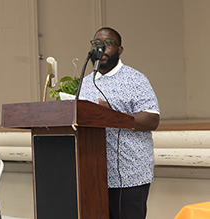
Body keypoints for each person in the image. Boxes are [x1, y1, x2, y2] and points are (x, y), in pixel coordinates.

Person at [79, 27, 160, 219]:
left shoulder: (136, 79)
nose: (101, 48)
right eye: (96, 43)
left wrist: (112, 115)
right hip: (94, 175)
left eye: (107, 43)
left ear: (120, 49)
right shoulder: (86, 82)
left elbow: (152, 119)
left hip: (130, 174)